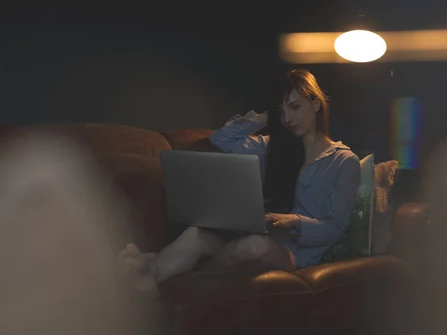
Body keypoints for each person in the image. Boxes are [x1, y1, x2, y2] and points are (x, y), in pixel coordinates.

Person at [117, 69, 361, 293]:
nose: (288, 118)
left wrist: (294, 222)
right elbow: (223, 138)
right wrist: (265, 117)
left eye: (295, 107)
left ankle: (166, 262)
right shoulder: (271, 147)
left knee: (255, 246)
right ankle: (151, 274)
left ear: (316, 104)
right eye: (282, 111)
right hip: (256, 233)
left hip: (297, 252)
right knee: (196, 233)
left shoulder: (343, 161)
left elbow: (335, 228)